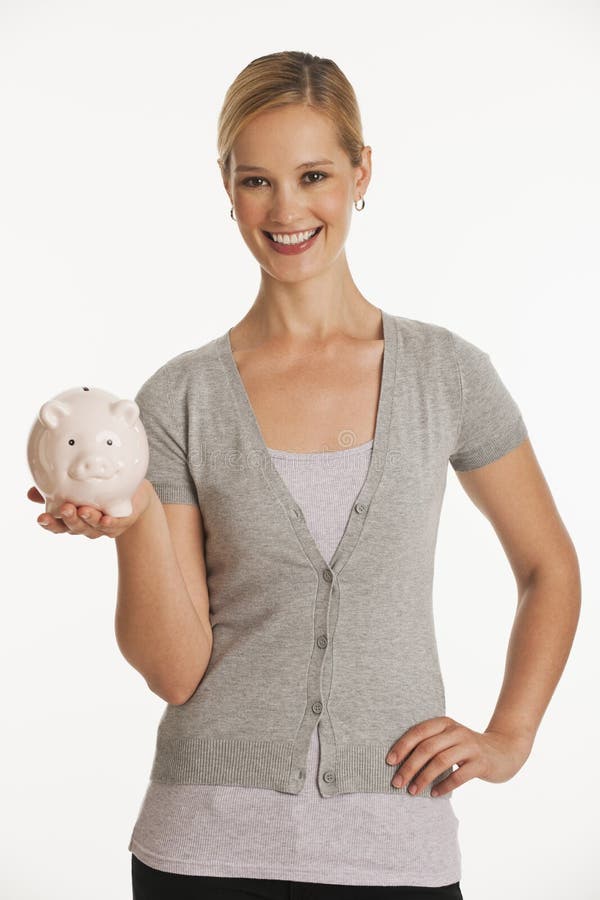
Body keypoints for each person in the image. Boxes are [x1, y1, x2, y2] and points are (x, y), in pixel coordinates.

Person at [29, 51, 581, 900]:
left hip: (396, 849)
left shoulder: (446, 375)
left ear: (363, 173)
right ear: (226, 186)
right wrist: (133, 526)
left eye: (313, 174)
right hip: (201, 852)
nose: (286, 210)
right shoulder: (178, 398)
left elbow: (549, 567)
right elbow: (177, 671)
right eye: (256, 181)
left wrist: (511, 736)